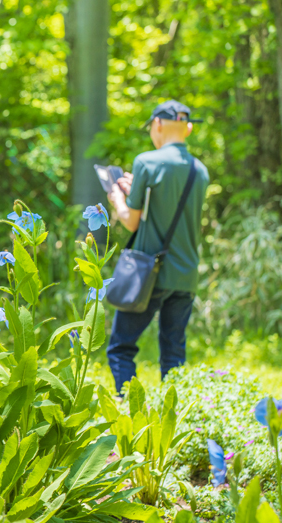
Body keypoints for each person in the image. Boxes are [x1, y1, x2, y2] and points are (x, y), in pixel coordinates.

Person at [106, 100, 210, 395]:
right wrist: (136, 190)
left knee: (121, 347)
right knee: (174, 352)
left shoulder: (146, 162)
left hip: (149, 274)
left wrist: (117, 198)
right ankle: (174, 415)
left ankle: (129, 409)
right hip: (186, 275)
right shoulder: (200, 170)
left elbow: (131, 221)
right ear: (188, 128)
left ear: (158, 124)